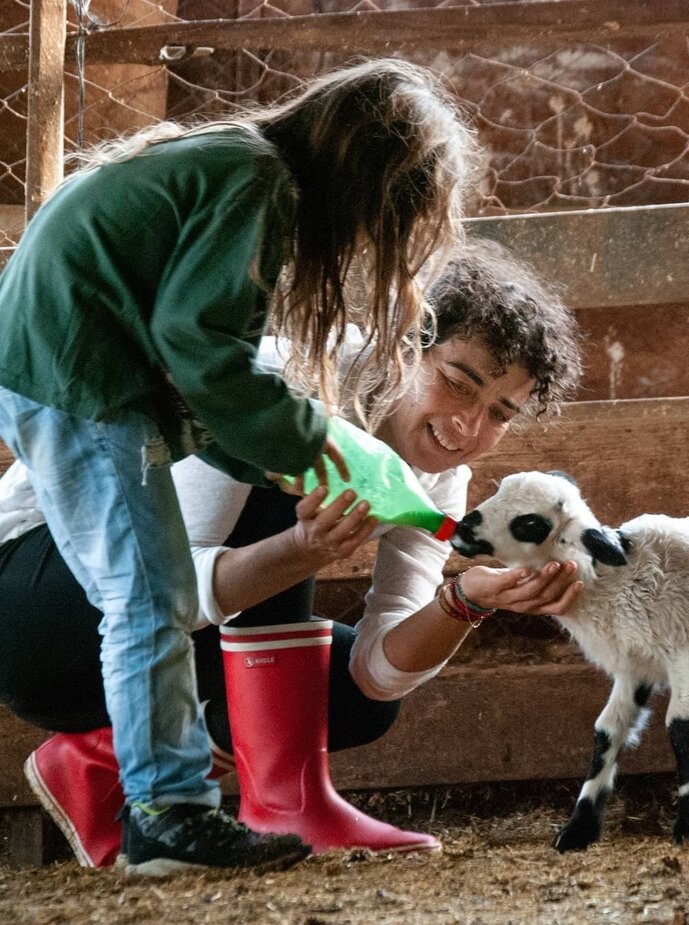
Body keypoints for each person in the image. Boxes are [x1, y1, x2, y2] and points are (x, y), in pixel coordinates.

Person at [0, 58, 478, 876]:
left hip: (87, 362)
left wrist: (274, 452)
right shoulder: (257, 181)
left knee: (152, 595)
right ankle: (169, 814)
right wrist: (303, 441)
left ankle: (173, 802)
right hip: (80, 371)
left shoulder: (241, 166)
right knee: (147, 598)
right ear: (363, 179)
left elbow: (191, 356)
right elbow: (199, 346)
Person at [0, 239, 584, 867]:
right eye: (456, 383)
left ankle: (102, 766)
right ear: (405, 343)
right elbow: (162, 588)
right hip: (38, 615)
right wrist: (303, 549)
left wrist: (468, 599)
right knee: (295, 463)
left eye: (499, 413)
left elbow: (377, 672)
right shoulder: (281, 385)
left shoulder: (435, 469)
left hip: (142, 661)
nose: (468, 427)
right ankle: (281, 798)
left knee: (348, 699)